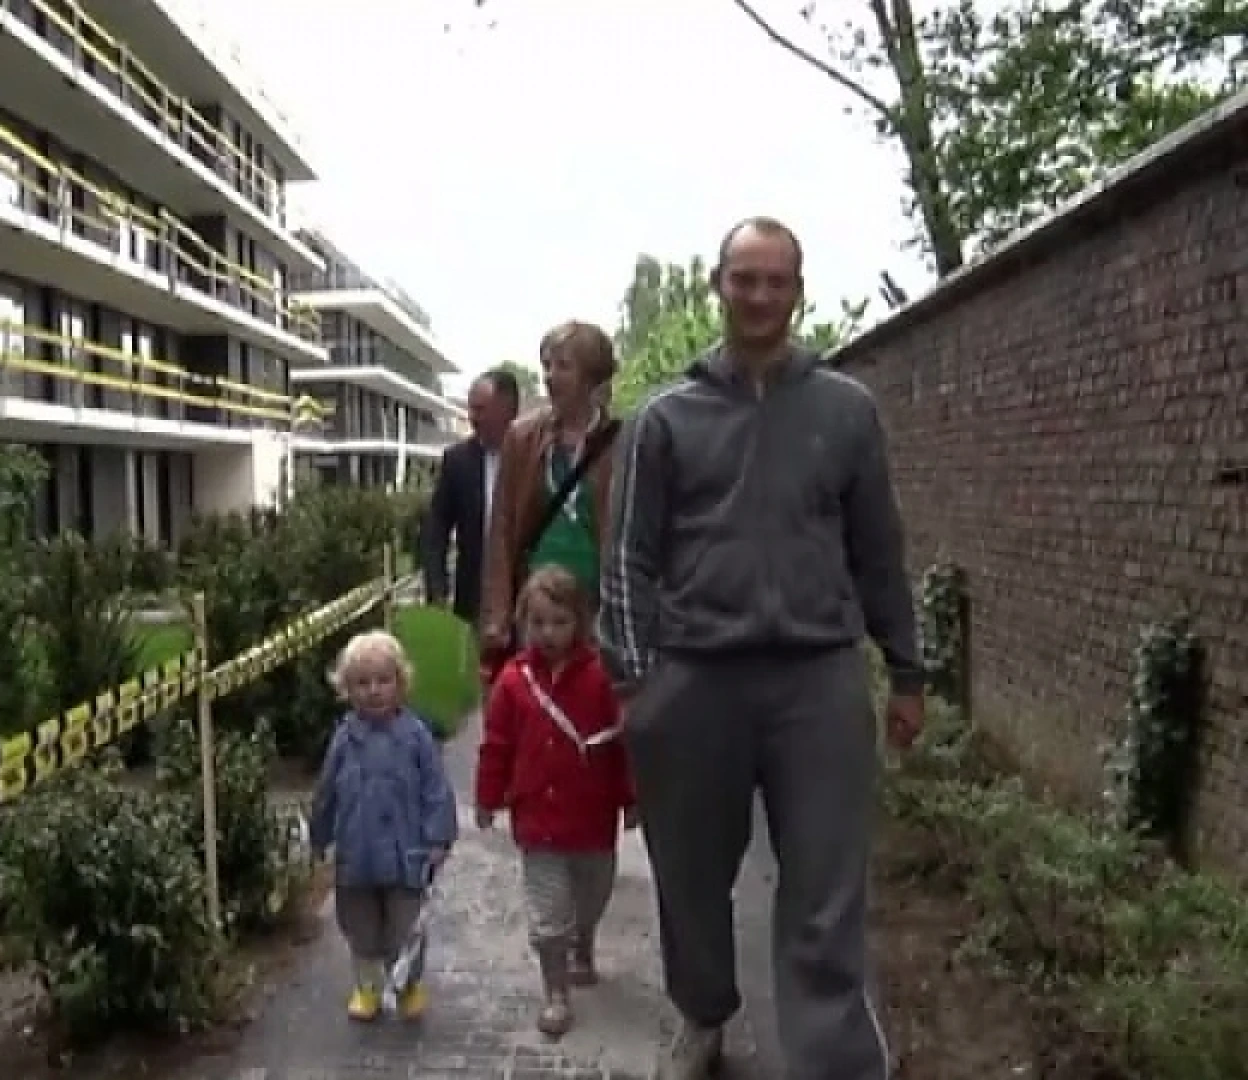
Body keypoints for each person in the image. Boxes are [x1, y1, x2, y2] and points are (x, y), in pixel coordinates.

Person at [598, 216, 927, 1080]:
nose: (759, 296)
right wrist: (635, 684)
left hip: (817, 679)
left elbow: (879, 550)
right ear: (719, 286)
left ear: (797, 291)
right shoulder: (664, 419)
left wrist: (906, 668)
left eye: (776, 281)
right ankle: (703, 1015)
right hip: (695, 679)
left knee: (825, 879)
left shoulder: (846, 410)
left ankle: (832, 1057)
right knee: (692, 876)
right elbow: (627, 557)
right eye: (744, 278)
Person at [474, 565, 635, 1038]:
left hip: (592, 819)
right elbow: (496, 745)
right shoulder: (513, 682)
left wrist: (632, 800)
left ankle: (583, 940)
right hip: (537, 821)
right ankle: (555, 991)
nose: (547, 633)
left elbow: (622, 744)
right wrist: (487, 797)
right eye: (537, 622)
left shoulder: (603, 677)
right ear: (524, 622)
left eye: (559, 622)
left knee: (592, 895)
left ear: (581, 622)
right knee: (548, 915)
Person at [308, 630, 459, 1023]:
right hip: (356, 858)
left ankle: (408, 983)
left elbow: (435, 789)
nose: (374, 691)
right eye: (362, 683)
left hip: (405, 854)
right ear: (347, 689)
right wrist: (319, 835)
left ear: (400, 683)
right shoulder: (344, 739)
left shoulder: (416, 737)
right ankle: (368, 986)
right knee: (360, 929)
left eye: (383, 681)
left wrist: (438, 836)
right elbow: (326, 791)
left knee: (406, 927)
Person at [478, 322, 620, 682]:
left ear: (591, 376)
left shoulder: (623, 442)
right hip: (536, 607)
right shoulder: (521, 438)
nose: (550, 377)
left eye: (563, 366)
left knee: (588, 708)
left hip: (594, 608)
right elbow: (502, 530)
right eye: (546, 365)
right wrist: (497, 617)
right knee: (536, 708)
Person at [422, 368, 522, 624]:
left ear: (508, 410)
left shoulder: (535, 456)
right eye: (471, 408)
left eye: (480, 409)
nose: (472, 418)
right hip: (473, 602)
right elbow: (436, 528)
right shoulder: (457, 460)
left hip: (527, 600)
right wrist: (437, 590)